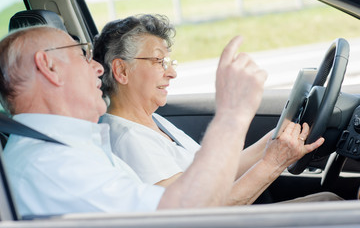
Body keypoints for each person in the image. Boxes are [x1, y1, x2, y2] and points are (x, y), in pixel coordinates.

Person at [0, 25, 324, 217]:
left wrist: (277, 139)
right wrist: (233, 113)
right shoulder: (53, 166)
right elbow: (185, 215)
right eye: (83, 54)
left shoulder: (67, 149)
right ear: (49, 67)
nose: (96, 67)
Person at [92, 15, 317, 188]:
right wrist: (274, 163)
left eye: (169, 62)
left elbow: (217, 175)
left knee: (327, 199)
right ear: (121, 71)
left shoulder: (153, 121)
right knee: (329, 201)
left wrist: (276, 138)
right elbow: (196, 213)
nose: (172, 73)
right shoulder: (128, 139)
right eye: (159, 61)